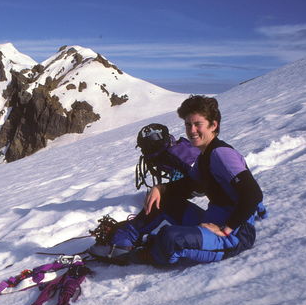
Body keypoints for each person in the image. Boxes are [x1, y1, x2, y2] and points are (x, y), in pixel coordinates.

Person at [90, 95, 265, 265]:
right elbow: (189, 185)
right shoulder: (206, 155)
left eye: (198, 124)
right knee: (163, 201)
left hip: (233, 236)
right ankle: (123, 240)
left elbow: (253, 195)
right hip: (209, 221)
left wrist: (225, 229)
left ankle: (143, 255)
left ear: (213, 125)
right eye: (188, 125)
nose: (192, 130)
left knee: (171, 238)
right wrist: (161, 188)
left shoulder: (222, 154)